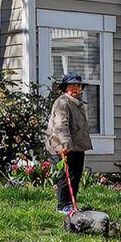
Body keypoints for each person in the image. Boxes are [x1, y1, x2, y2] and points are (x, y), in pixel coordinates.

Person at [47, 72, 92, 214]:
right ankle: (63, 205)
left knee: (76, 175)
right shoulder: (62, 102)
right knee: (66, 175)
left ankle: (72, 204)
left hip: (77, 146)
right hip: (61, 145)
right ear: (66, 87)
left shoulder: (77, 103)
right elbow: (61, 125)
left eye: (78, 85)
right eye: (72, 85)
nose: (76, 88)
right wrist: (65, 145)